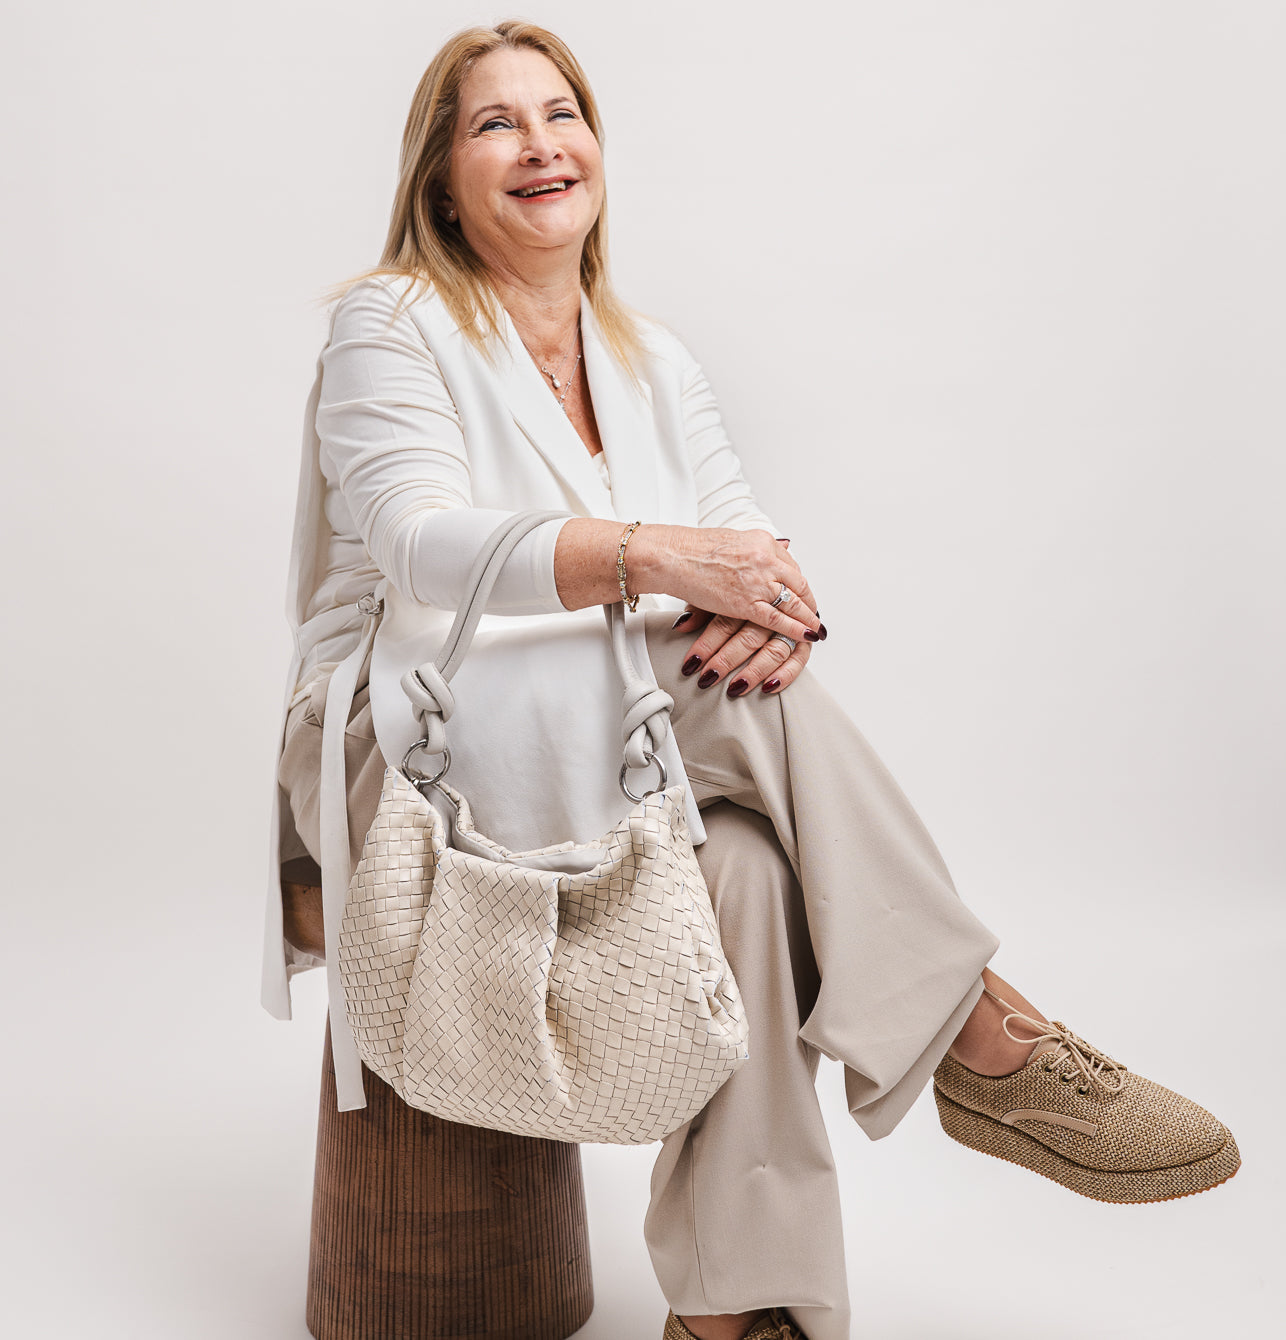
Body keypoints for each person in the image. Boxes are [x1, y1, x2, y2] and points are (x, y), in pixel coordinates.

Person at [259, 20, 1240, 1340]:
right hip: (405, 733)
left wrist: (780, 618)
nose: (541, 145)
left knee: (755, 875)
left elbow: (747, 541)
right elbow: (420, 546)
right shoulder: (392, 322)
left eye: (562, 114)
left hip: (620, 723)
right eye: (496, 123)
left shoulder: (651, 358)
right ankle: (971, 1027)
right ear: (440, 177)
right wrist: (662, 560)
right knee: (698, 670)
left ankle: (736, 1315)